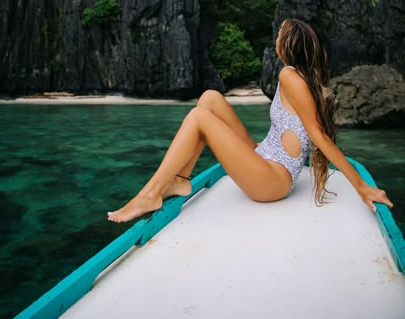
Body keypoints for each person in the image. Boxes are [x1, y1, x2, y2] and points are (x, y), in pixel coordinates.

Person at [107, 18, 392, 223]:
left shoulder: (290, 77)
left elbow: (319, 136)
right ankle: (180, 179)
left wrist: (361, 186)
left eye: (280, 34)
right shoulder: (293, 75)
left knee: (199, 117)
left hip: (273, 180)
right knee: (209, 99)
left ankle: (150, 194)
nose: (276, 38)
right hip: (264, 155)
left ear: (288, 44)